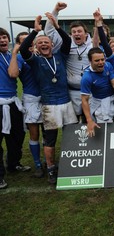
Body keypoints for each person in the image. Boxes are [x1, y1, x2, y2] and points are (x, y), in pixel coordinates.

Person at [20, 14, 78, 184]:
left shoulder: (60, 56)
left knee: (72, 135)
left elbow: (67, 42)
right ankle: (51, 168)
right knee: (50, 139)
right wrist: (35, 31)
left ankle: (73, 163)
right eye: (40, 43)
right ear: (36, 47)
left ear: (52, 44)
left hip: (66, 102)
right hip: (49, 105)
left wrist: (58, 27)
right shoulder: (35, 61)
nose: (44, 44)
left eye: (46, 42)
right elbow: (23, 50)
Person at [45, 2, 92, 122]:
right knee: (73, 123)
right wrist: (55, 11)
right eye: (74, 32)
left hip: (90, 90)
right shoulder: (65, 44)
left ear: (85, 34)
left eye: (79, 31)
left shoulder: (93, 46)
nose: (77, 34)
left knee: (90, 120)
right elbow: (49, 31)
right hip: (72, 90)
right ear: (71, 34)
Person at [9, 32, 45, 178]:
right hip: (31, 98)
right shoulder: (20, 58)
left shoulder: (41, 55)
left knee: (48, 133)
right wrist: (15, 54)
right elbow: (14, 74)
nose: (28, 43)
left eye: (29, 41)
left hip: (46, 97)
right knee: (34, 133)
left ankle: (48, 161)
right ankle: (37, 164)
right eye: (23, 41)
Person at [0, 28, 30, 189]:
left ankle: (13, 163)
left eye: (4, 37)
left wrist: (13, 54)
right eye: (0, 38)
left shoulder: (11, 56)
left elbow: (13, 73)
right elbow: (12, 75)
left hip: (12, 101)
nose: (3, 40)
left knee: (17, 135)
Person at [81, 47, 114, 136]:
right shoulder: (86, 77)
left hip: (113, 100)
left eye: (102, 59)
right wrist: (89, 120)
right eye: (97, 60)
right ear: (90, 61)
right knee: (105, 130)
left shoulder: (108, 65)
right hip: (100, 105)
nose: (101, 62)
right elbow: (84, 100)